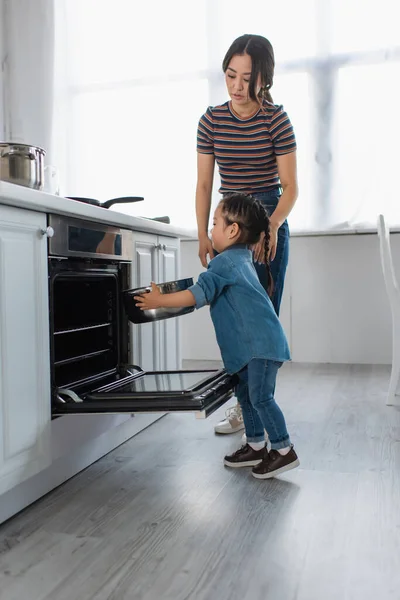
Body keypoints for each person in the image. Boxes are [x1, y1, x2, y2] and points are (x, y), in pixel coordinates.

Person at [134, 193, 299, 479]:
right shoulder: (242, 259)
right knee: (246, 397)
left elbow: (195, 296)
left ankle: (284, 451)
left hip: (258, 348)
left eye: (214, 224)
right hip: (257, 348)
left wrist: (160, 300)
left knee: (260, 398)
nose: (210, 231)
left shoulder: (224, 264)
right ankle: (257, 445)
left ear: (232, 230)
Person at [195, 34, 298, 437]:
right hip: (230, 220)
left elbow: (290, 186)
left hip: (268, 216)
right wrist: (203, 233)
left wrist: (269, 227)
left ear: (263, 79)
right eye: (230, 75)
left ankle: (260, 406)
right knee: (231, 319)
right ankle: (246, 407)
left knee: (260, 322)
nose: (237, 86)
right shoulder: (211, 120)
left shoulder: (276, 120)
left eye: (246, 78)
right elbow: (205, 185)